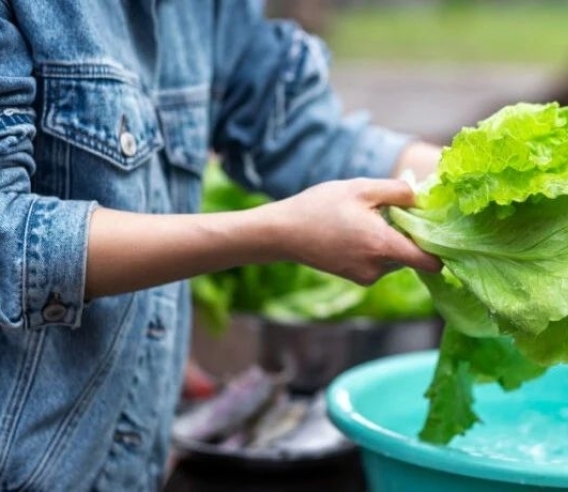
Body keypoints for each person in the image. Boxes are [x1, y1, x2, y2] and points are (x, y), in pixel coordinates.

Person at [0, 2, 442, 490]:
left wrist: (481, 179)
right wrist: (276, 232)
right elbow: (11, 239)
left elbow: (297, 128)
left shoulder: (201, 10)